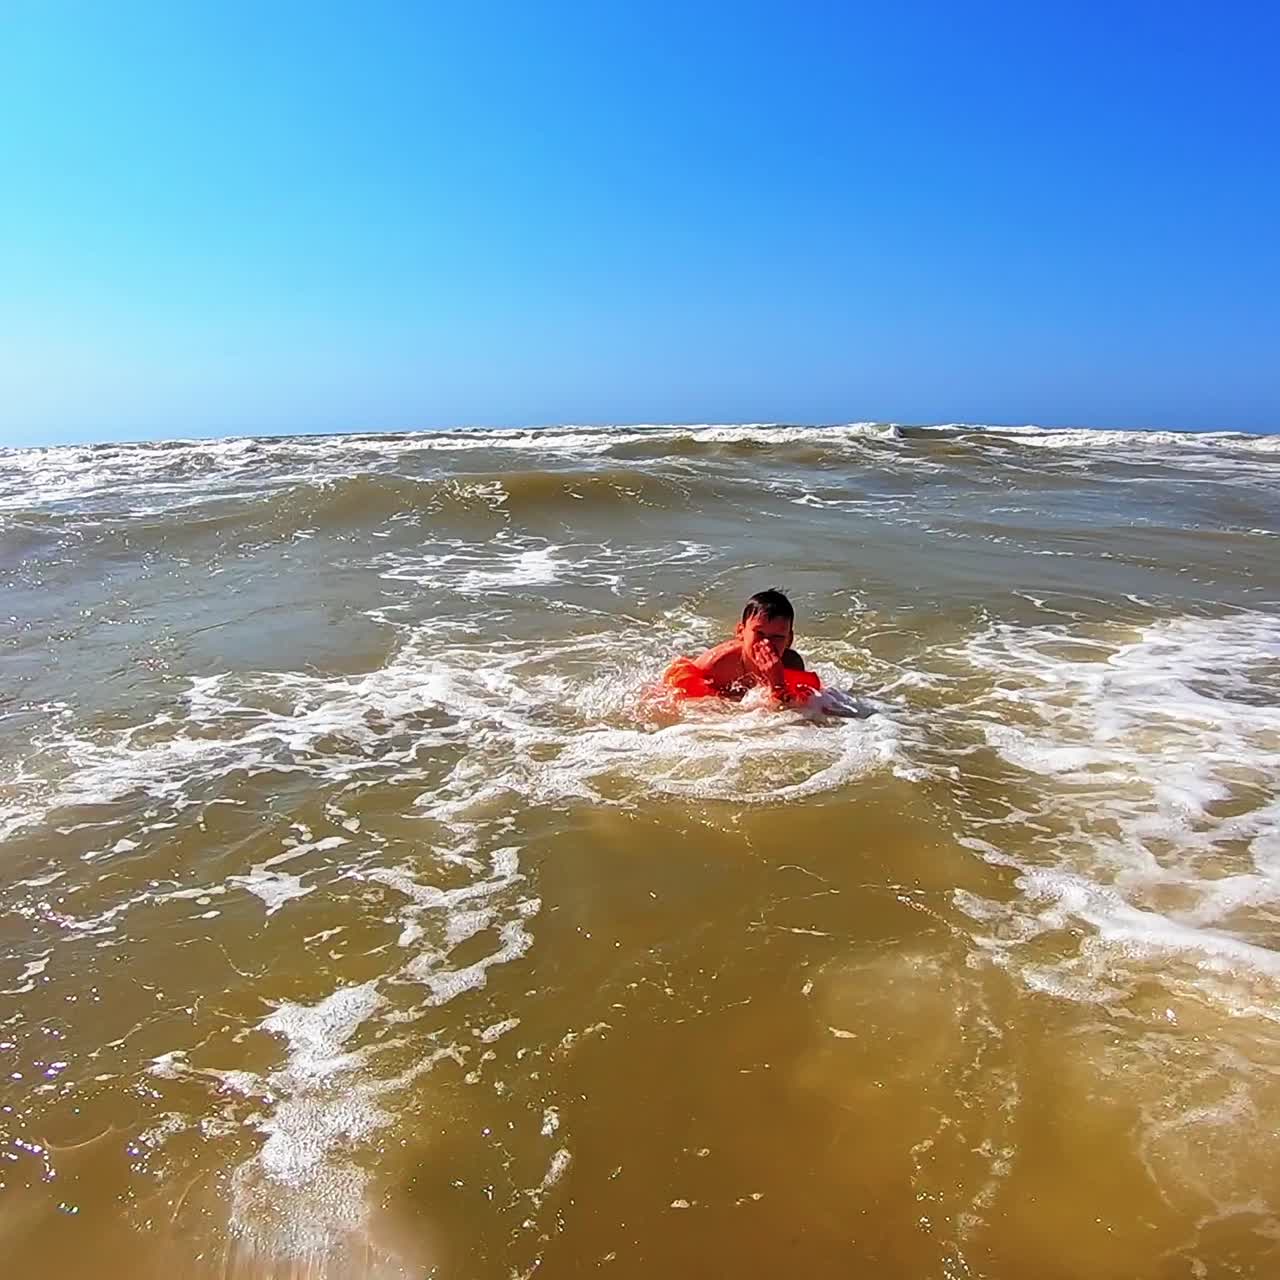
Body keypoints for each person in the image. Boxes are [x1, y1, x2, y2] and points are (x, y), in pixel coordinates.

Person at [684, 588, 812, 703]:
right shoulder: (716, 663)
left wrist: (777, 683)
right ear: (741, 632)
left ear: (789, 640)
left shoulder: (791, 664)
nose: (767, 642)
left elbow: (792, 714)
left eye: (777, 637)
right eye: (759, 633)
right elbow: (679, 691)